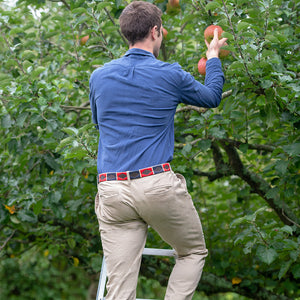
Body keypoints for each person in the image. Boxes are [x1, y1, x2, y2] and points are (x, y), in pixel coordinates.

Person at [89, 1, 227, 299]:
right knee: (191, 252)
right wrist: (212, 57)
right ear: (155, 31)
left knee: (119, 286)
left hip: (111, 188)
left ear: (126, 33)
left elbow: (100, 125)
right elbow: (212, 97)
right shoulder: (170, 74)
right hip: (155, 184)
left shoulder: (98, 76)